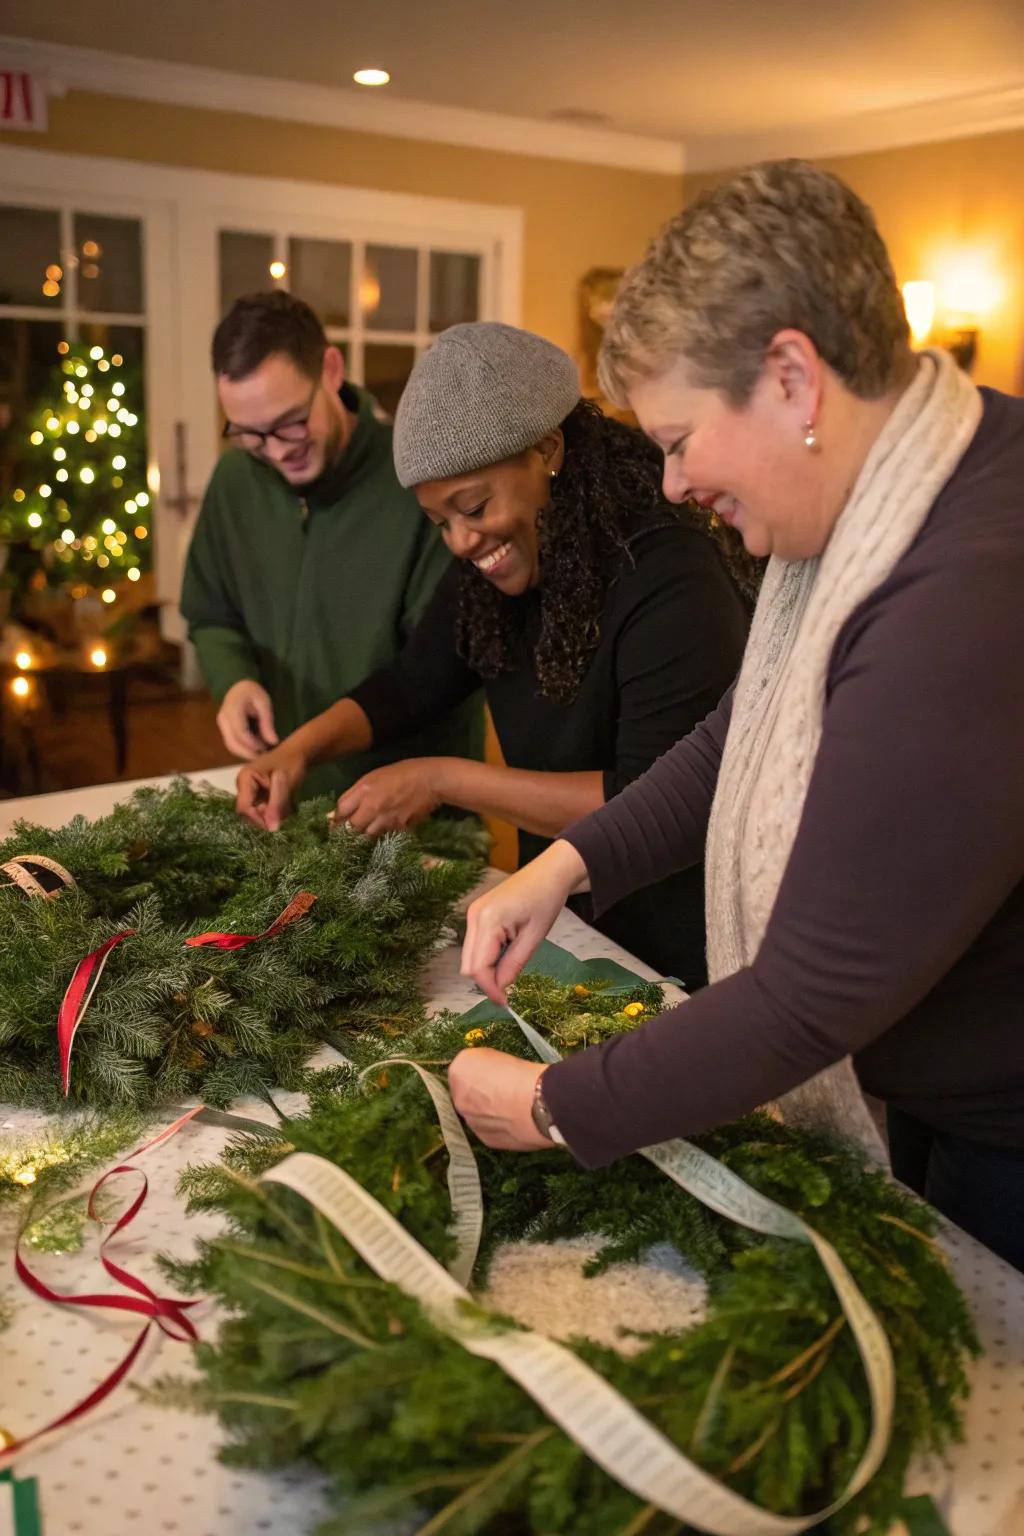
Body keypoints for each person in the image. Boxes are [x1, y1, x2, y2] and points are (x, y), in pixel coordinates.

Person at [451, 162, 1024, 1273]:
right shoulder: (915, 471)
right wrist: (570, 863)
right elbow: (738, 735)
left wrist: (557, 1105)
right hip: (939, 1091)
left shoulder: (958, 599)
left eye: (674, 440)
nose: (667, 484)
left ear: (793, 381)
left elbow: (809, 1000)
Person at [235, 322, 751, 988]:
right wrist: (298, 749)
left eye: (472, 506)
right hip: (566, 923)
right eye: (439, 521)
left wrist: (444, 779)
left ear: (549, 450)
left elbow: (648, 800)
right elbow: (411, 684)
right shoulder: (494, 571)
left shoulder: (672, 580)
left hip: (677, 948)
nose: (459, 541)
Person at [180, 290, 483, 800]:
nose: (276, 451)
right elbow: (211, 614)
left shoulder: (418, 482)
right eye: (251, 434)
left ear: (331, 370)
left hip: (407, 807)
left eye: (290, 423)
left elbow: (430, 674)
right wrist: (234, 682)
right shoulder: (234, 479)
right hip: (285, 797)